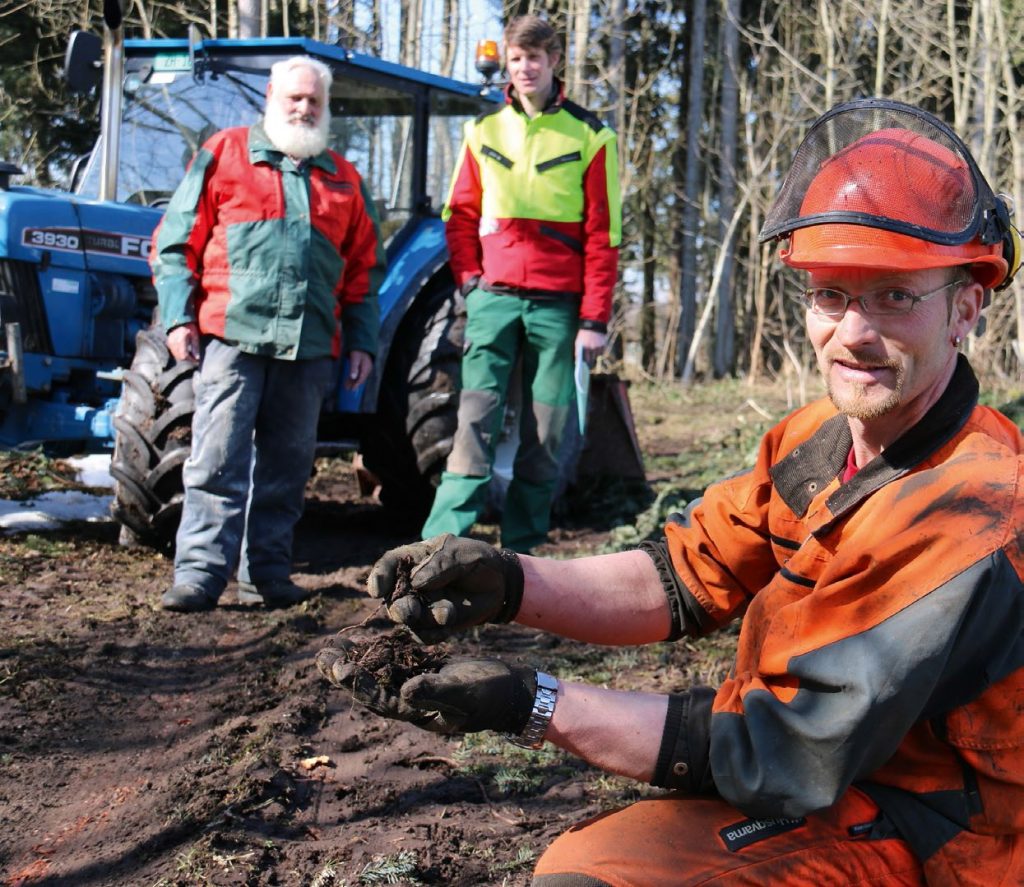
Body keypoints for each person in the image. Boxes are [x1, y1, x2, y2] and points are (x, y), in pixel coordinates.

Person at [318, 98, 1024, 885]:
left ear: (966, 307)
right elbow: (684, 572)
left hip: (937, 839)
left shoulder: (972, 507)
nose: (853, 333)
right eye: (831, 294)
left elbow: (783, 744)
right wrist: (510, 581)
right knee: (591, 865)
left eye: (894, 296)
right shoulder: (817, 440)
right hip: (837, 788)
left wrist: (530, 701)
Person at [152, 56, 385, 612]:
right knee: (217, 460)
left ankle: (267, 575)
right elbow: (175, 243)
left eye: (314, 101)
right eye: (294, 98)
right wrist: (177, 318)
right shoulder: (225, 153)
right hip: (233, 337)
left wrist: (362, 341)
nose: (304, 108)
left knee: (287, 466)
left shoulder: (343, 178)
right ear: (271, 99)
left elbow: (364, 270)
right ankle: (200, 575)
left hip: (308, 345)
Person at [421, 15, 622, 553]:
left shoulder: (591, 136)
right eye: (516, 58)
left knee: (546, 430)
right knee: (473, 420)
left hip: (558, 309)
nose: (525, 67)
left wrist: (593, 319)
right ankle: (439, 547)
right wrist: (470, 281)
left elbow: (604, 234)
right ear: (507, 63)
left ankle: (521, 555)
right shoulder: (482, 132)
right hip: (493, 301)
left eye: (534, 57)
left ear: (554, 60)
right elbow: (459, 215)